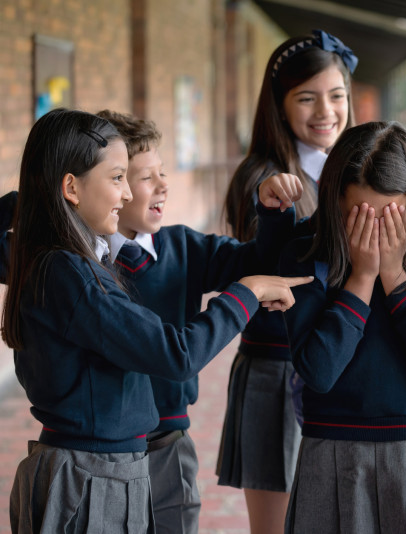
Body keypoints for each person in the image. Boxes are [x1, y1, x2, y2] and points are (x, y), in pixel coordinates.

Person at [4, 108, 309, 534]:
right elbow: (176, 354)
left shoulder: (76, 258)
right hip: (90, 468)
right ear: (71, 186)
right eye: (121, 178)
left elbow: (256, 256)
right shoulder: (69, 270)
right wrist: (249, 293)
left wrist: (274, 218)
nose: (131, 192)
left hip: (129, 456)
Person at [96, 109, 294, 534]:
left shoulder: (184, 247)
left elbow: (256, 260)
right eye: (145, 176)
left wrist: (272, 213)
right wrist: (33, 204)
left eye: (162, 172)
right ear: (109, 184)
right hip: (103, 451)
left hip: (168, 442)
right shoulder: (76, 263)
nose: (164, 184)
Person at [279, 121, 406, 533]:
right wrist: (362, 279)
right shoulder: (303, 255)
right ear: (334, 203)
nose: (375, 232)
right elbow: (318, 371)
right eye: (359, 217)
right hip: (332, 446)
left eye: (389, 216)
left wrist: (396, 278)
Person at [217, 29, 357, 534]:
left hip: (340, 367)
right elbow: (269, 271)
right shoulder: (263, 180)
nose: (326, 111)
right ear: (279, 105)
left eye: (337, 95)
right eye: (307, 98)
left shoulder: (356, 171)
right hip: (278, 369)